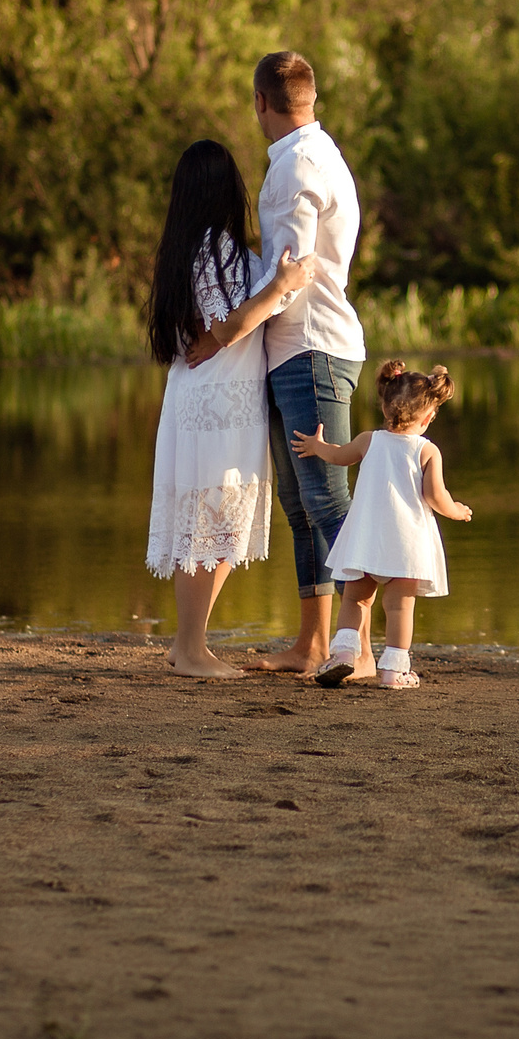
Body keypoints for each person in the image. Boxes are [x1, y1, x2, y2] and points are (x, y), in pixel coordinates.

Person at [189, 51, 367, 675]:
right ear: (309, 97)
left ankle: (360, 647)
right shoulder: (317, 154)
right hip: (296, 348)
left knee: (326, 499)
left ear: (261, 101)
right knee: (302, 502)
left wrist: (225, 333)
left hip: (310, 347)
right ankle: (313, 644)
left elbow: (287, 278)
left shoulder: (295, 166)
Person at [144, 139, 315, 679]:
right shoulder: (214, 247)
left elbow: (220, 325)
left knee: (218, 523)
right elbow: (227, 327)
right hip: (217, 399)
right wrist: (282, 283)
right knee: (211, 522)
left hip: (211, 394)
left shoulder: (195, 247)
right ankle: (192, 650)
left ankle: (186, 644)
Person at [292, 361, 472, 690]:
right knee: (400, 607)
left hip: (366, 541)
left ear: (385, 405)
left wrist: (317, 446)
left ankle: (344, 654)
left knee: (355, 600)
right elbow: (435, 496)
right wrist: (456, 511)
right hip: (406, 545)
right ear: (428, 416)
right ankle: (393, 671)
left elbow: (338, 456)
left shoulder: (368, 440)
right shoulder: (427, 450)